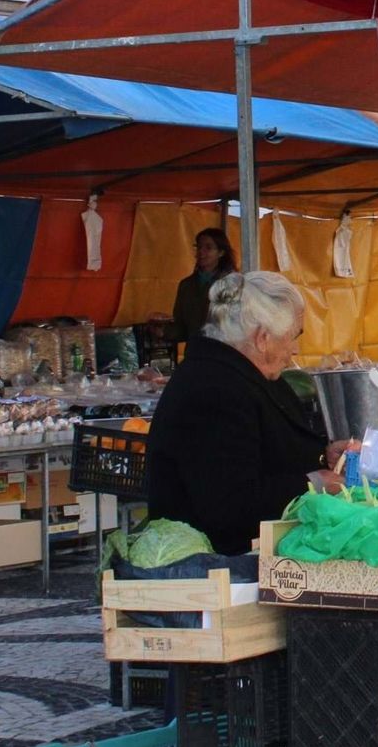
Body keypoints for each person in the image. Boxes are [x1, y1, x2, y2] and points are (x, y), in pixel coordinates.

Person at [147, 272, 345, 555]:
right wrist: (313, 484)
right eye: (293, 336)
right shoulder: (214, 390)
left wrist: (324, 456)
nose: (295, 349)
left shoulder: (246, 375)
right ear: (263, 338)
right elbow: (230, 503)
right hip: (220, 566)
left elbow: (268, 452)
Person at [171, 227, 237, 344]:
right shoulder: (186, 285)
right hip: (195, 353)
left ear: (221, 253)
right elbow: (181, 328)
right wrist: (163, 331)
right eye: (199, 247)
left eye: (208, 247)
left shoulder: (232, 284)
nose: (201, 252)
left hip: (224, 352)